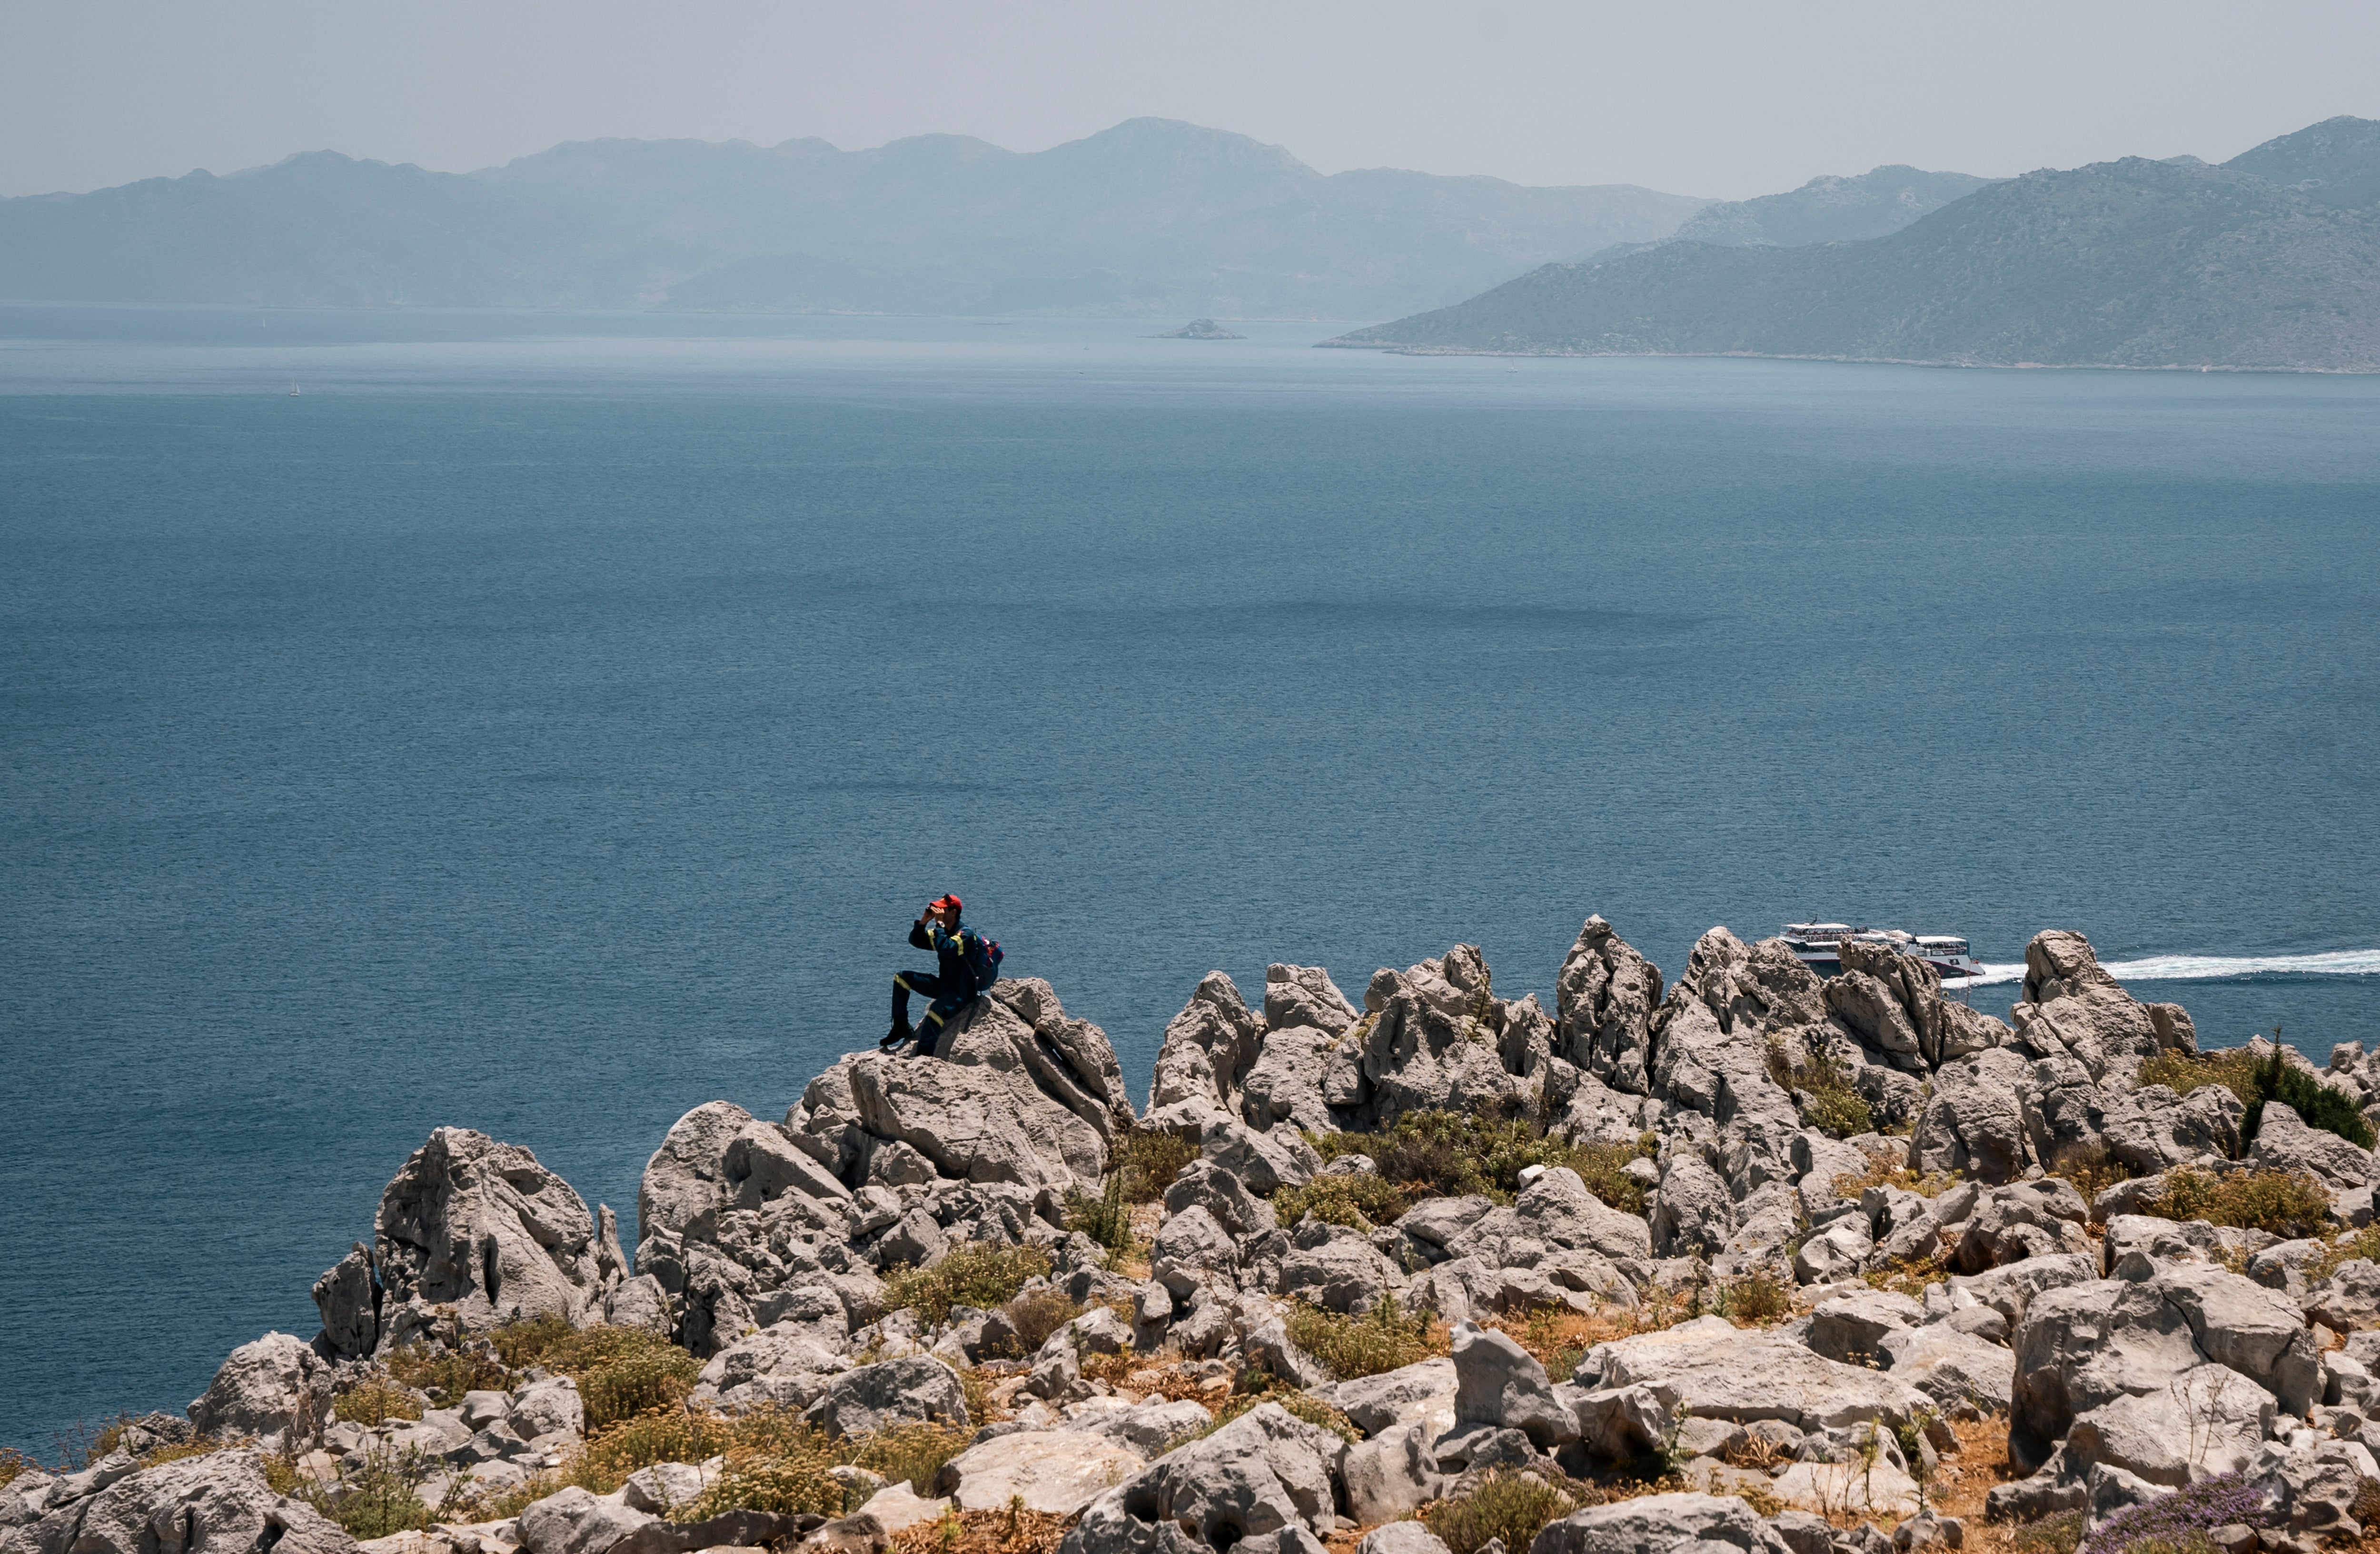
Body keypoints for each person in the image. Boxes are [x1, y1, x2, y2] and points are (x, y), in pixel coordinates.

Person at [884, 893, 981, 1055]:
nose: (939, 913)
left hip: (962, 992)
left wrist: (940, 926)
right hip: (944, 985)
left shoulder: (966, 935)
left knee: (936, 1010)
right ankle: (901, 1027)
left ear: (954, 912)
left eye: (943, 910)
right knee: (901, 978)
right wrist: (924, 921)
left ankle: (924, 1054)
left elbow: (947, 948)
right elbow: (916, 941)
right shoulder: (942, 931)